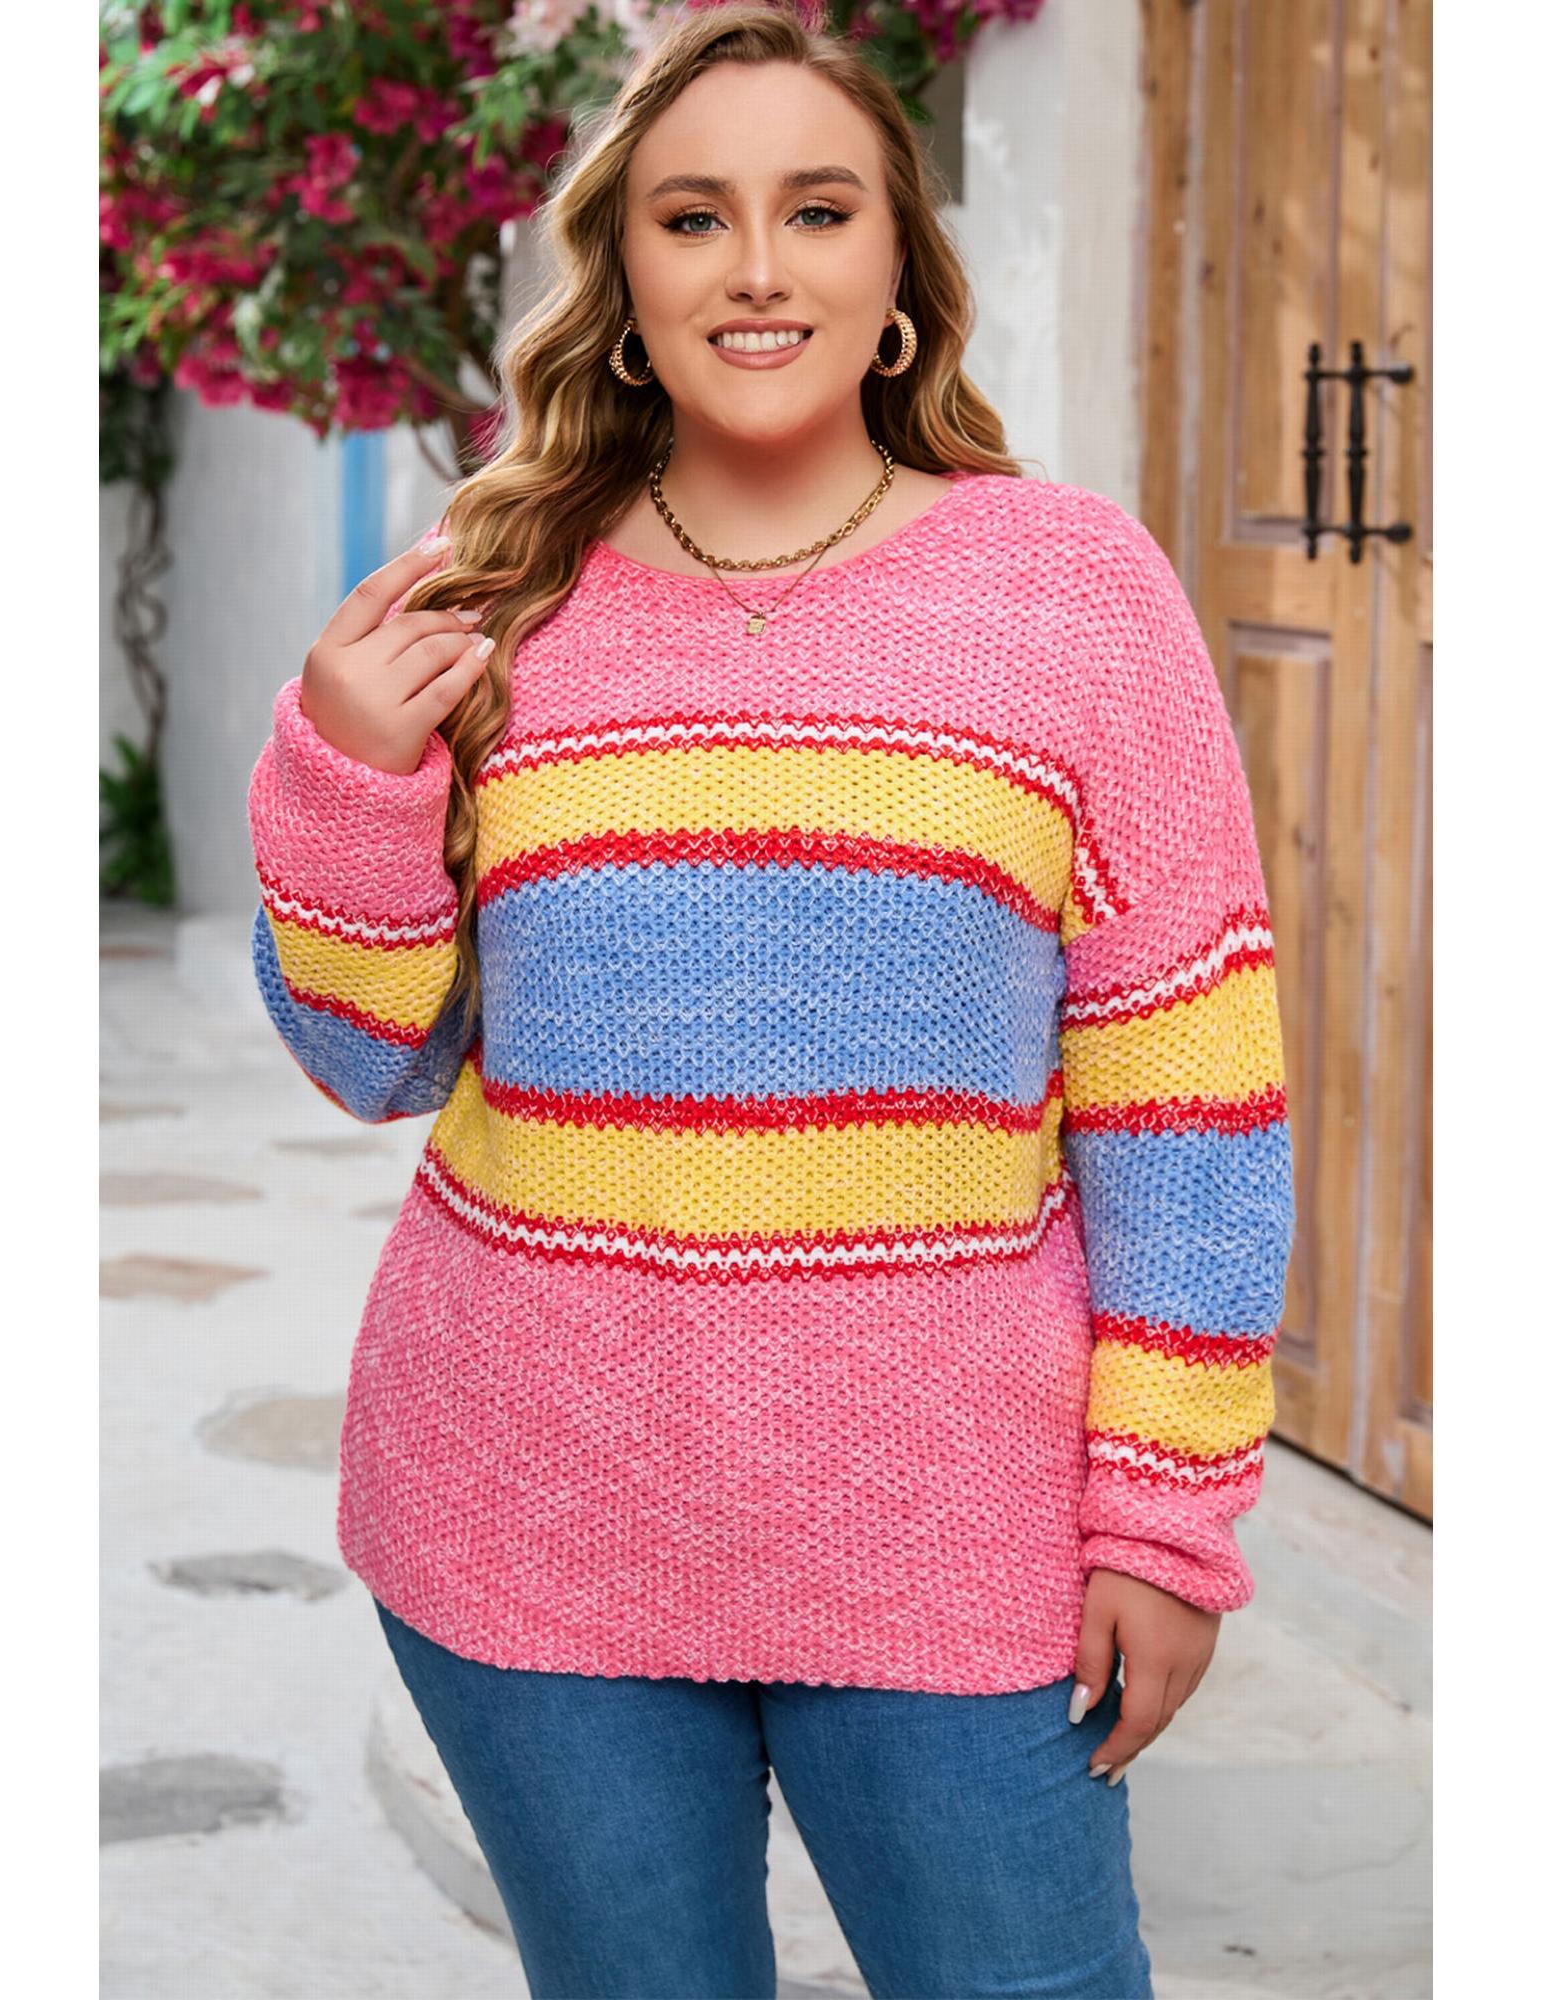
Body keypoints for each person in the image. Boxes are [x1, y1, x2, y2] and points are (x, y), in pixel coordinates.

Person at [246, 7, 1295, 1996]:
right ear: (624, 286)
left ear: (898, 275)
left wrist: (1165, 1512)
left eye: (816, 210)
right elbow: (370, 1060)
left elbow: (1188, 1095)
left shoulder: (1071, 594)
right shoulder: (491, 589)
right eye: (690, 216)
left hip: (951, 1526)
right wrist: (344, 776)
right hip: (529, 1508)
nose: (754, 266)